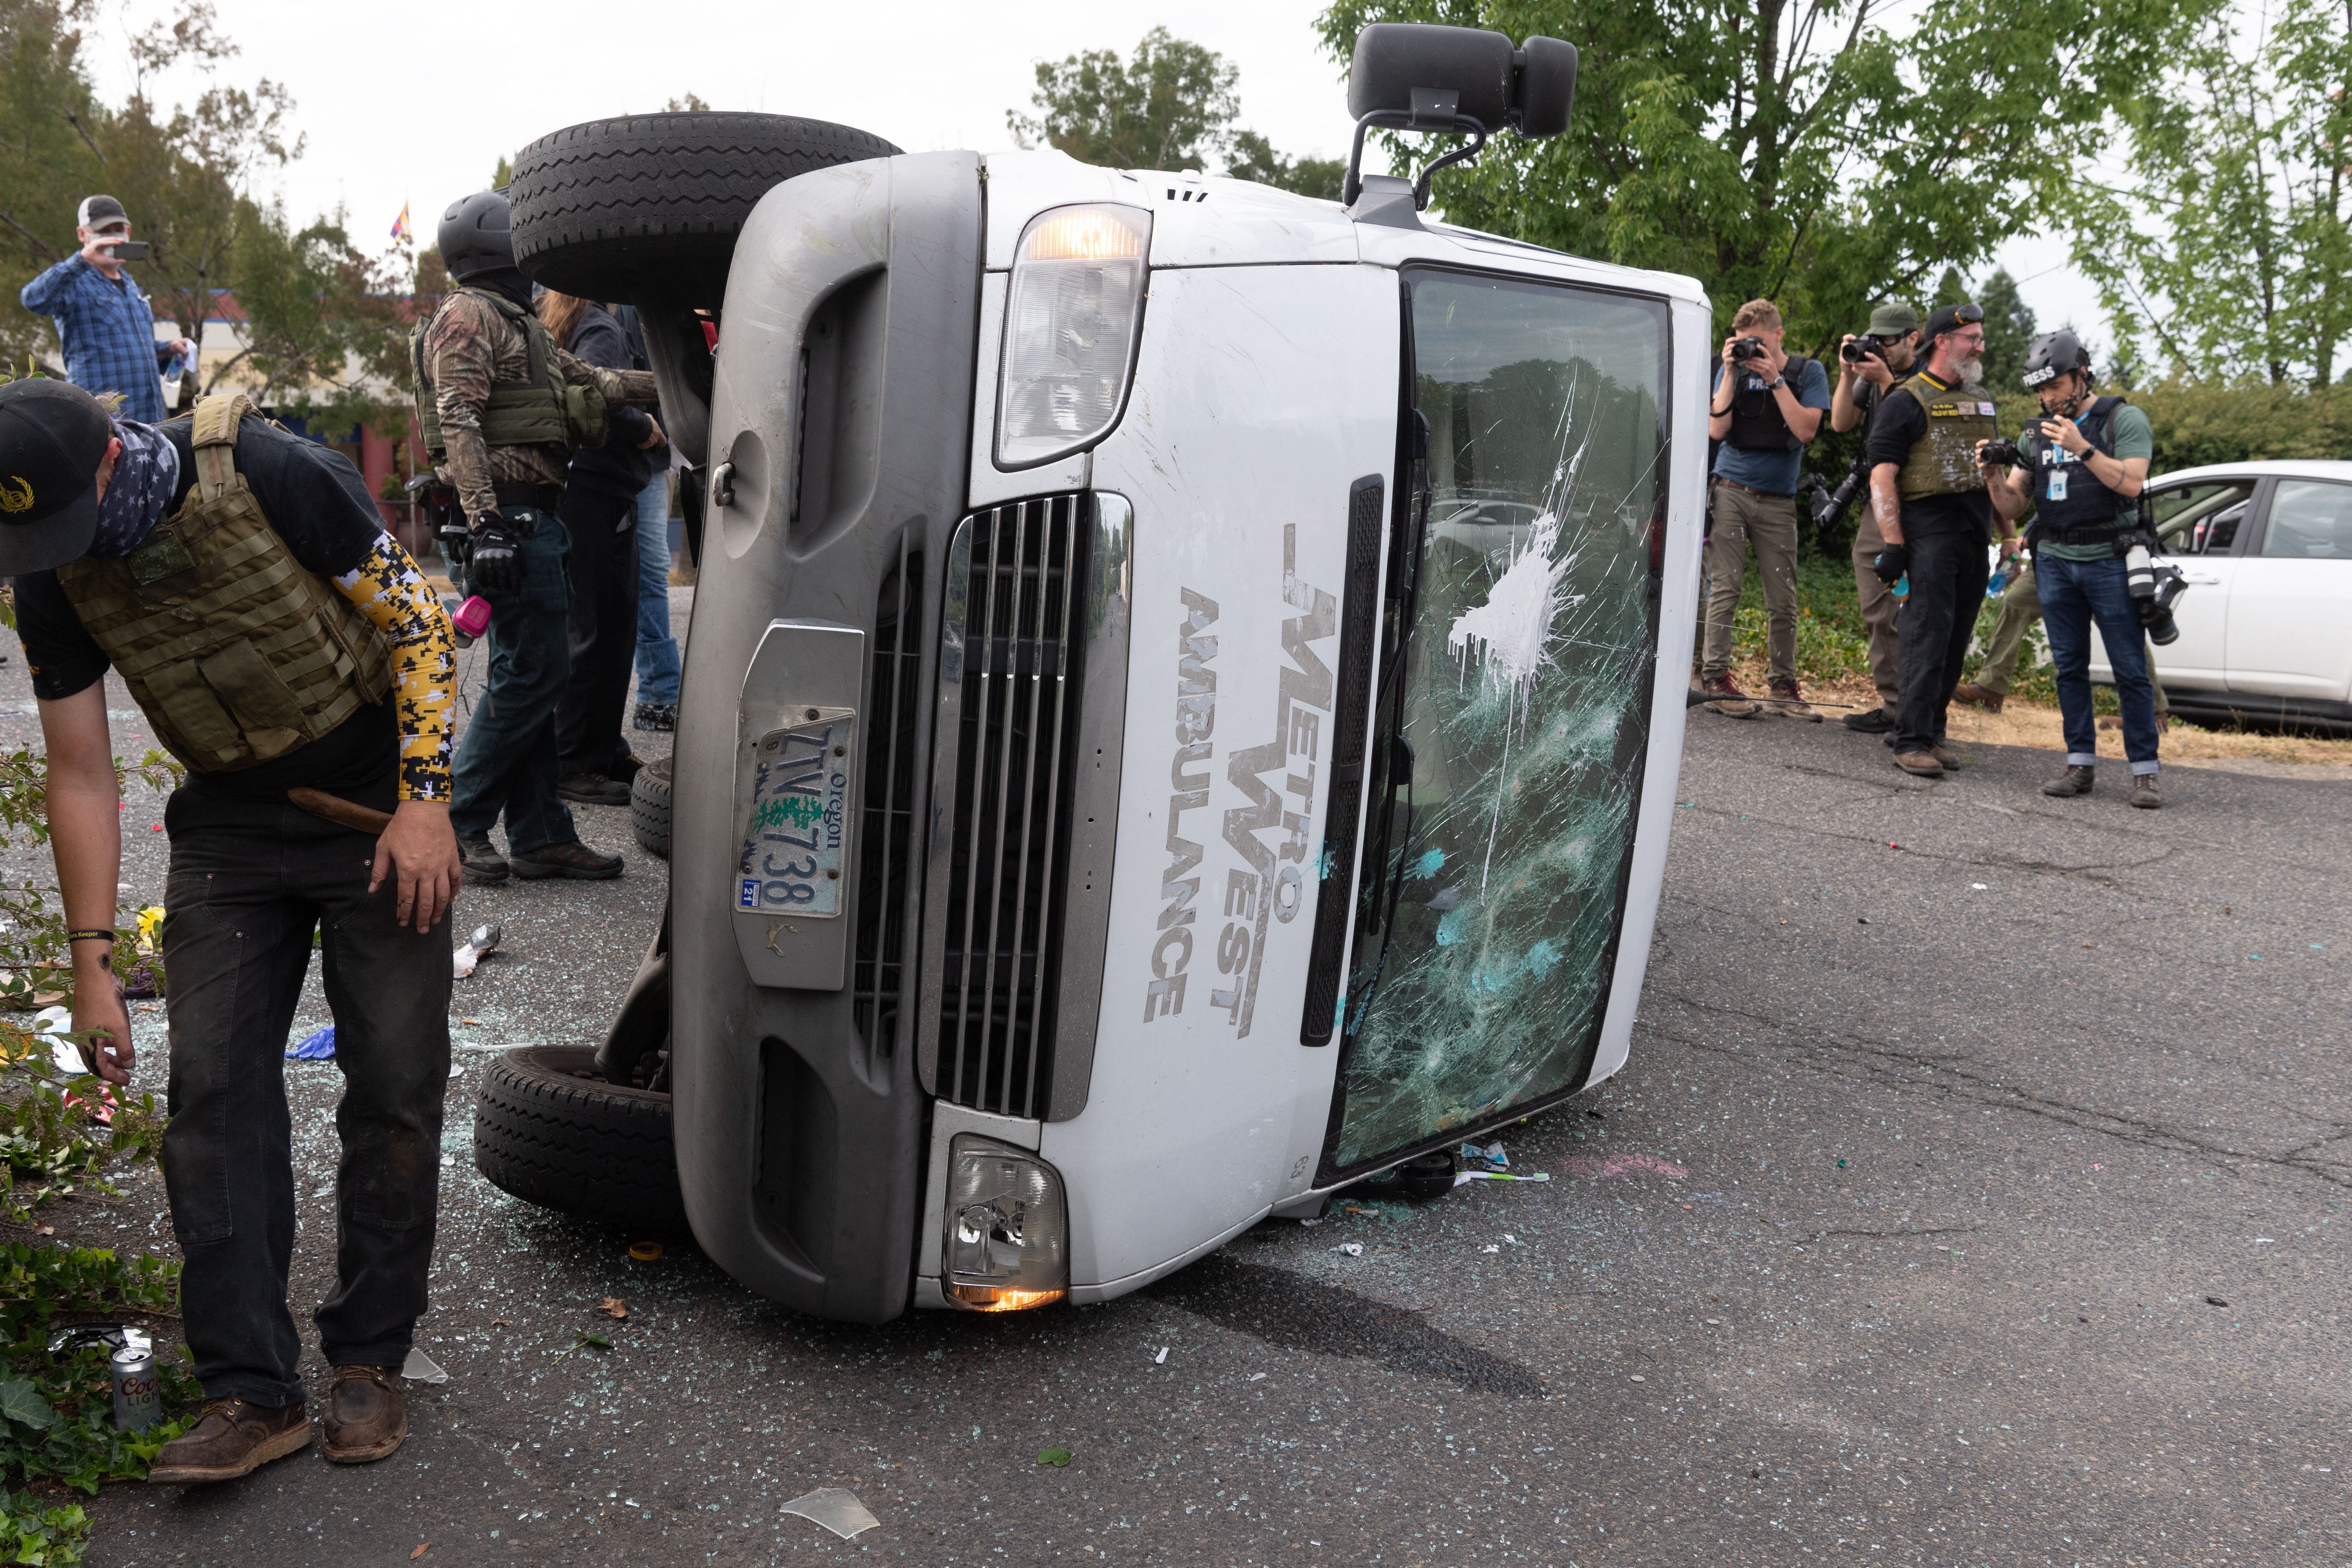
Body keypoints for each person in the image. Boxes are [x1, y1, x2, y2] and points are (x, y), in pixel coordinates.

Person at [1, 376, 461, 1481]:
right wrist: (92, 965)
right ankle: (250, 1390)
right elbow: (78, 768)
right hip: (231, 828)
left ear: (112, 460)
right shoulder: (51, 566)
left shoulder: (272, 473)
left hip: (372, 807)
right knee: (209, 1096)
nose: (67, 549)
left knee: (394, 1085)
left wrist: (427, 804)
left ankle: (369, 1359)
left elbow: (417, 625)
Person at [411, 191, 662, 882]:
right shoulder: (468, 316)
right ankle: (457, 820)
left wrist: (681, 384)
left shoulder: (519, 322)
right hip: (508, 524)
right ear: (498, 246)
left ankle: (540, 831)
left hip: (531, 521)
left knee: (532, 675)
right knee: (536, 674)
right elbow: (458, 412)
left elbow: (599, 381)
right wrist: (486, 521)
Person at [1979, 329, 2164, 806]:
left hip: (2110, 560)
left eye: (2055, 386)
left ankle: (2145, 773)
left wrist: (2082, 446)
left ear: (2081, 375)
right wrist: (1992, 474)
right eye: (2040, 390)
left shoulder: (2125, 419)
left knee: (2129, 669)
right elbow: (2015, 503)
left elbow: (2132, 483)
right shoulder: (2036, 433)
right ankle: (2079, 764)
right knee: (2069, 670)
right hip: (2056, 562)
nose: (2047, 398)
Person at [1861, 302, 2025, 777]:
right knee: (1926, 634)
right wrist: (1893, 545)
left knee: (1956, 637)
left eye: (1980, 336)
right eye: (1971, 337)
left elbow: (1991, 474)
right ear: (1941, 342)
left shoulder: (1981, 399)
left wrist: (2009, 538)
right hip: (1928, 528)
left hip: (1973, 526)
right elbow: (1883, 477)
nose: (1980, 345)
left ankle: (1933, 732)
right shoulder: (1905, 401)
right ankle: (1909, 739)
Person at [536, 291, 665, 803]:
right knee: (606, 628)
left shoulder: (558, 320)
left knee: (592, 624)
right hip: (599, 493)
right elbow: (598, 398)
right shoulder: (603, 327)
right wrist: (647, 428)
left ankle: (600, 747)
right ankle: (578, 763)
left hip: (574, 491)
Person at [1695, 299, 1832, 719]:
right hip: (1731, 490)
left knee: (1782, 596)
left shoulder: (1807, 373)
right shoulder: (1732, 370)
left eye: (1756, 341)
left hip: (1778, 498)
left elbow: (1806, 429)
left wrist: (1774, 380)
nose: (1750, 348)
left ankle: (1783, 685)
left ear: (1777, 335)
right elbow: (1716, 427)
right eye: (1741, 342)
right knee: (1726, 587)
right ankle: (1715, 679)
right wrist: (1732, 370)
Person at [1825, 303, 1922, 734]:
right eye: (1874, 339)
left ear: (1912, 339)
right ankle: (1893, 704)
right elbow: (1842, 423)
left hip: (1916, 500)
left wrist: (1887, 381)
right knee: (1877, 608)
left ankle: (1916, 709)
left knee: (1913, 611)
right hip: (1875, 503)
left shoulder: (1925, 379)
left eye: (1888, 340)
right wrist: (1849, 376)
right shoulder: (1871, 375)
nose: (1879, 347)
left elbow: (1906, 427)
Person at [19, 195, 197, 425]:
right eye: (104, 231)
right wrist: (82, 260)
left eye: (118, 229)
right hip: (104, 423)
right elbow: (32, 299)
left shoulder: (131, 284)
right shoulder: (73, 281)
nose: (113, 237)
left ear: (128, 233)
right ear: (83, 235)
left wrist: (167, 349)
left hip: (149, 420)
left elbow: (127, 346)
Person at [1953, 564, 2171, 730]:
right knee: (2016, 602)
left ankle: (2152, 713)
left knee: (2120, 627)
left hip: (2096, 557)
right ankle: (1990, 689)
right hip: (2047, 553)